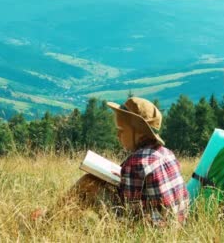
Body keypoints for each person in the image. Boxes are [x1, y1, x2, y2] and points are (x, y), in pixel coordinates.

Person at [41, 97, 189, 226]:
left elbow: (130, 212)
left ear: (138, 132)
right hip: (176, 225)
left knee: (89, 182)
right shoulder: (166, 153)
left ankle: (49, 220)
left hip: (150, 229)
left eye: (121, 130)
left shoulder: (137, 162)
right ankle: (54, 219)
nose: (117, 135)